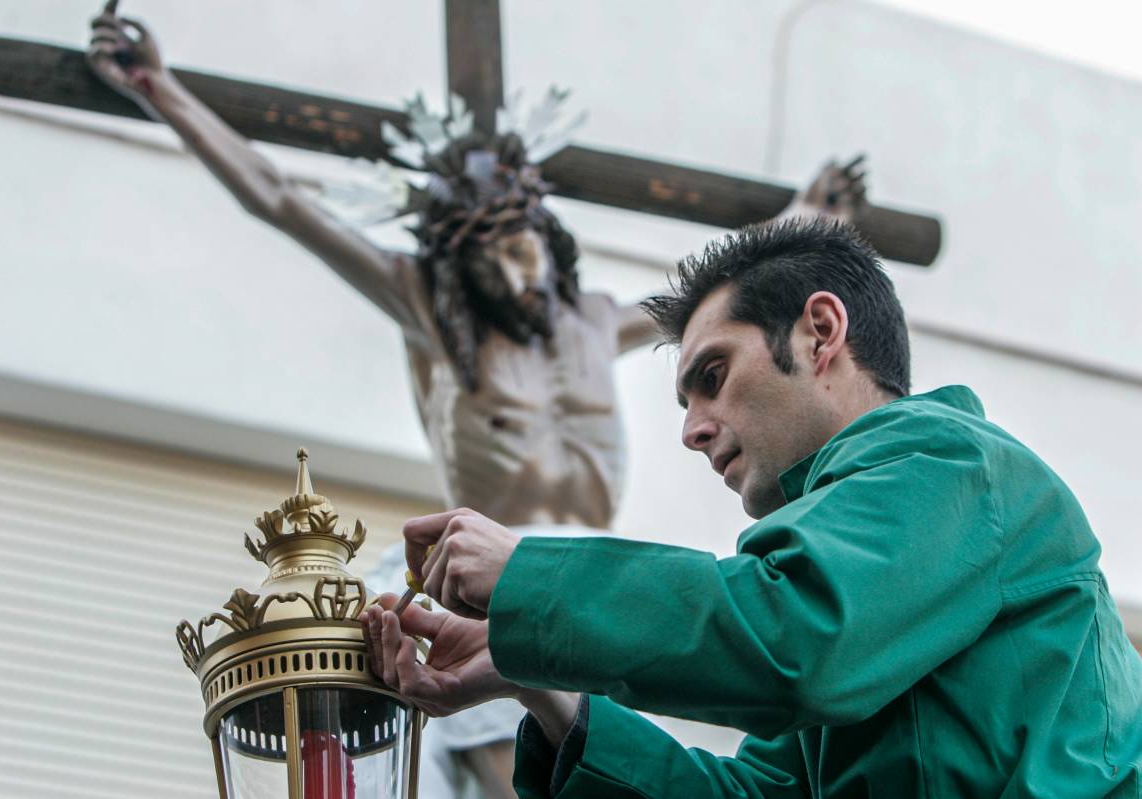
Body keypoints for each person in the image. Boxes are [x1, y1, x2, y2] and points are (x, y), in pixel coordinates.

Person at [85, 5, 868, 795]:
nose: (512, 265)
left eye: (520, 237)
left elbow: (719, 286)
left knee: (603, 759)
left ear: (546, 232)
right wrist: (162, 89)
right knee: (515, 758)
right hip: (492, 572)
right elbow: (282, 201)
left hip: (585, 573)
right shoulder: (432, 314)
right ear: (458, 254)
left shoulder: (595, 322)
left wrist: (811, 214)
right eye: (486, 249)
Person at [365, 218, 1142, 796]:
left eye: (712, 373)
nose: (692, 429)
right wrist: (531, 674)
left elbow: (796, 638)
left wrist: (529, 580)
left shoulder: (955, 466)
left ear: (820, 333)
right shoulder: (839, 568)